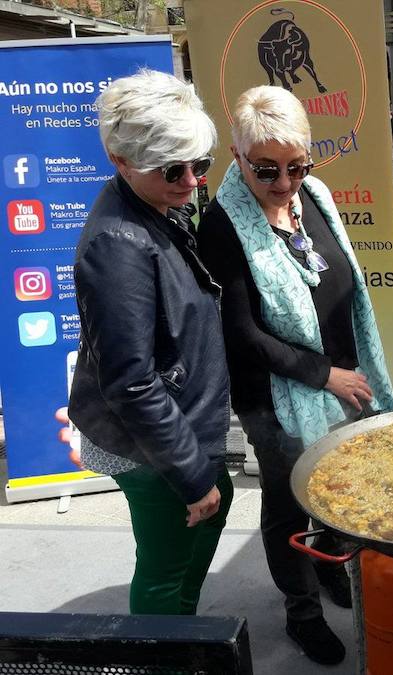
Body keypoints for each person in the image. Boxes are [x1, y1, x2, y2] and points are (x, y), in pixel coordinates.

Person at [197, 85, 393, 665]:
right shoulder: (223, 224)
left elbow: (341, 280)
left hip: (340, 376)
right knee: (291, 500)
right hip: (278, 393)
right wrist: (323, 375)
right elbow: (242, 331)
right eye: (266, 170)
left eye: (295, 166)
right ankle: (301, 611)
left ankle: (330, 568)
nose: (283, 183)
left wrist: (343, 370)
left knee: (337, 486)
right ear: (237, 158)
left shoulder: (313, 196)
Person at [68, 70, 231, 616]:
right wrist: (188, 474)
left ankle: (182, 634)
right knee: (166, 568)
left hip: (175, 423)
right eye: (172, 169)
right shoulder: (117, 244)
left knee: (209, 517)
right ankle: (165, 648)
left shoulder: (151, 205)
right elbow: (130, 383)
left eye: (200, 164)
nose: (191, 181)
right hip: (150, 442)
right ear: (120, 159)